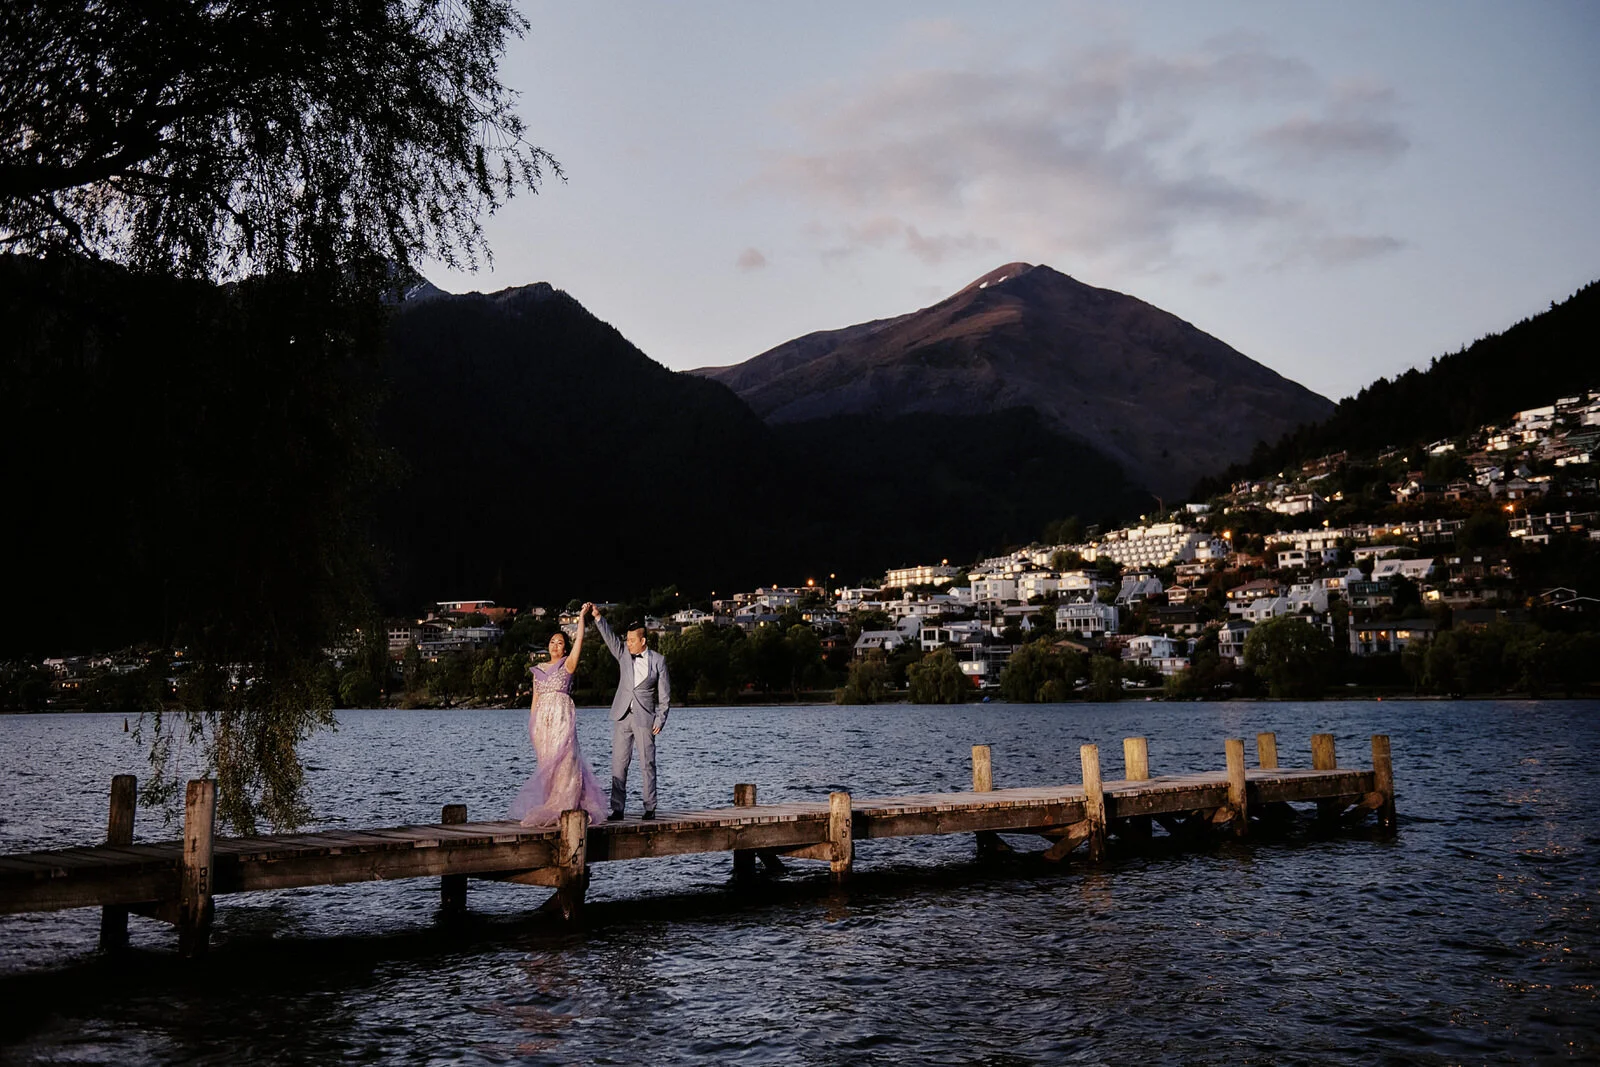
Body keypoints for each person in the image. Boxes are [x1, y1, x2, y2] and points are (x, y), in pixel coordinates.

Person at [507, 603, 609, 826]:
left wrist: (581, 617)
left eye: (560, 643)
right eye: (552, 642)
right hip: (543, 722)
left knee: (567, 760)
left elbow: (580, 640)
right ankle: (553, 801)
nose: (555, 646)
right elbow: (535, 700)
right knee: (548, 764)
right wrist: (532, 727)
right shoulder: (539, 669)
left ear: (565, 648)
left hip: (562, 717)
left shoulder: (568, 665)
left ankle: (568, 805)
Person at [592, 607, 671, 819]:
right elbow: (609, 638)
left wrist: (661, 719)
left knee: (647, 764)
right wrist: (598, 617)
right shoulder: (623, 655)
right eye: (627, 640)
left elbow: (664, 697)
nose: (628, 643)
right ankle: (617, 809)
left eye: (632, 640)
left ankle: (650, 807)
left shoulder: (658, 661)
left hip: (646, 719)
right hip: (622, 716)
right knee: (619, 764)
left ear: (643, 641)